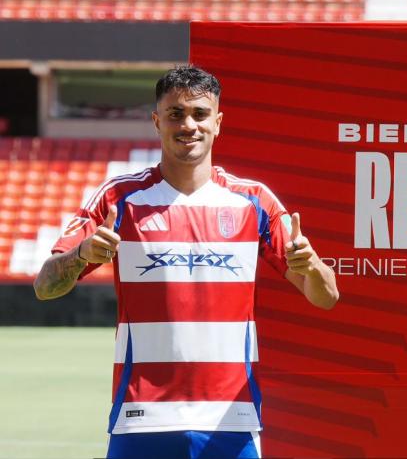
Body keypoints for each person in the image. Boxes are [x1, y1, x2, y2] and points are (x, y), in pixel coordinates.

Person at [33, 65, 339, 459]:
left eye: (199, 114)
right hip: (141, 414)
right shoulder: (118, 198)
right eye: (175, 114)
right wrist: (81, 254)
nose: (188, 125)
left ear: (218, 122)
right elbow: (45, 286)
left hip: (231, 417)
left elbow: (326, 296)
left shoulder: (255, 200)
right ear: (157, 121)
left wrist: (311, 265)